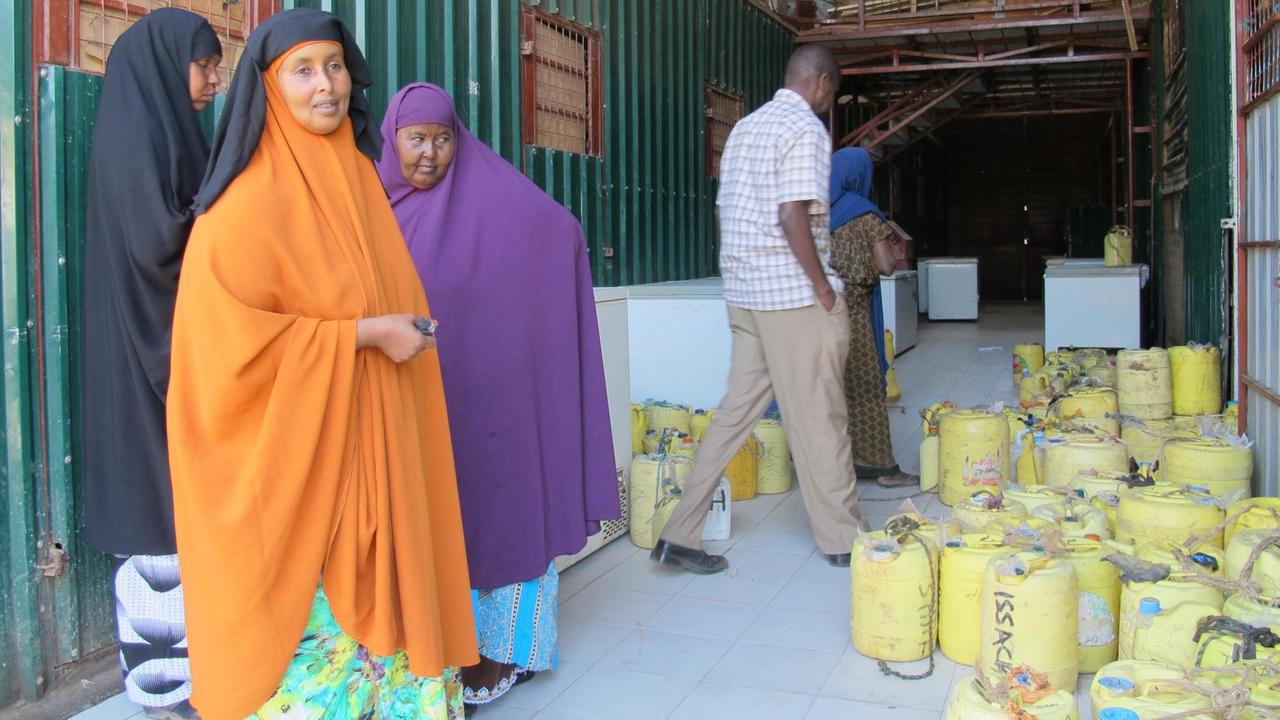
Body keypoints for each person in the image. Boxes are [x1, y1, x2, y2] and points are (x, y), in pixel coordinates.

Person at [166, 10, 477, 719]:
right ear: (270, 87)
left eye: (335, 66)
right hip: (309, 482)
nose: (326, 86)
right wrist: (364, 336)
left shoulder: (360, 183)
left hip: (381, 458)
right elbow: (224, 349)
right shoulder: (239, 209)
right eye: (303, 71)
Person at [374, 82, 619, 711]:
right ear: (390, 139)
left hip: (490, 399)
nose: (429, 153)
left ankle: (509, 652)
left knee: (498, 509)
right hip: (411, 397)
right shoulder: (370, 204)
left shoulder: (493, 195)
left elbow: (558, 230)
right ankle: (434, 647)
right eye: (415, 139)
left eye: (442, 138)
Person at [650, 45, 869, 575]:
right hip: (793, 298)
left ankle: (679, 535)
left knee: (731, 418)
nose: (827, 103)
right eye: (831, 93)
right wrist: (820, 287)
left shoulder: (745, 128)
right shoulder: (806, 130)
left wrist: (741, 275)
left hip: (747, 295)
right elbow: (792, 211)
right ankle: (845, 540)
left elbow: (726, 210)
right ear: (820, 82)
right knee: (820, 418)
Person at [80, 9, 221, 717]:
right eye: (204, 65)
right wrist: (220, 217)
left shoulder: (164, 130)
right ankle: (163, 694)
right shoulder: (138, 137)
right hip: (146, 358)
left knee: (175, 523)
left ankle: (194, 681)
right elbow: (158, 251)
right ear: (170, 64)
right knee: (153, 521)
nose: (213, 79)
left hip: (159, 353)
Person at [829, 147, 919, 488]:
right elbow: (884, 265)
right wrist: (891, 251)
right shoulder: (865, 215)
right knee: (867, 388)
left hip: (821, 313)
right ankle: (881, 467)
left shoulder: (818, 214)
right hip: (855, 314)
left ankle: (840, 462)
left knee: (833, 388)